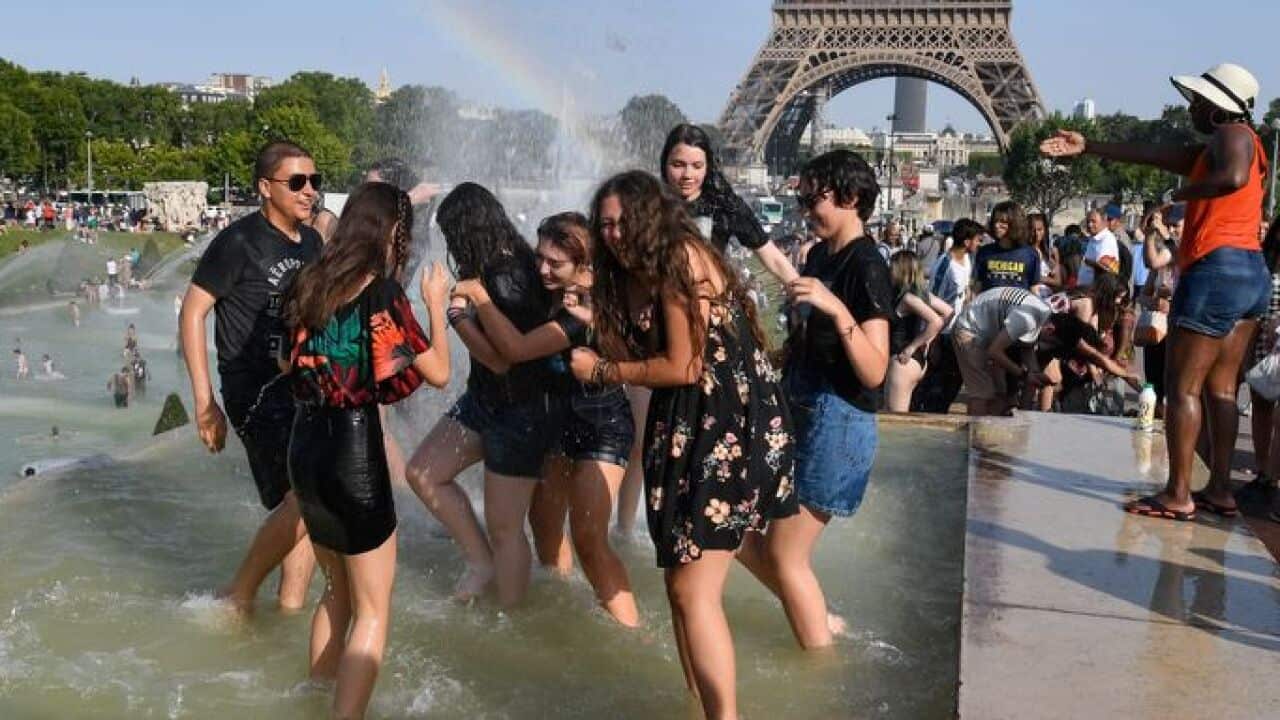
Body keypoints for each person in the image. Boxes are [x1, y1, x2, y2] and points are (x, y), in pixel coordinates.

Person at [570, 170, 797, 718]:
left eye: (623, 222)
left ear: (651, 216)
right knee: (679, 588)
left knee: (694, 593)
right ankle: (700, 706)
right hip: (691, 426)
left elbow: (684, 365)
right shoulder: (649, 268)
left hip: (721, 430)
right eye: (605, 226)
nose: (614, 234)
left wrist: (602, 369)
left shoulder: (679, 260)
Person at [1043, 62, 1270, 521]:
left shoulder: (1234, 136)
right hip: (1250, 269)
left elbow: (1233, 178)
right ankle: (1221, 489)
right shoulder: (1225, 144)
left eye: (1198, 101)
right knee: (1222, 390)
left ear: (1217, 106)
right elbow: (1149, 152)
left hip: (1218, 267)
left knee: (1181, 386)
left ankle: (1179, 492)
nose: (1192, 107)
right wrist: (1089, 147)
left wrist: (1178, 200)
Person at [284, 182, 451, 720]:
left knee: (336, 590)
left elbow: (289, 365)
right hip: (353, 450)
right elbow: (439, 374)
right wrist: (434, 305)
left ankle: (316, 701)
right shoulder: (382, 293)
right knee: (374, 612)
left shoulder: (308, 282)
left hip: (304, 446)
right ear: (392, 231)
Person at [733, 149, 890, 658]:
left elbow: (874, 370)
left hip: (839, 419)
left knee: (784, 556)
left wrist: (833, 304)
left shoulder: (867, 266)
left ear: (850, 197)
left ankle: (821, 666)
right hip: (803, 408)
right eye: (801, 196)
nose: (804, 207)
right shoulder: (821, 255)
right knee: (736, 529)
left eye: (813, 197)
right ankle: (818, 616)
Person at [452, 212, 640, 627]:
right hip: (552, 424)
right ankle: (565, 615)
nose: (542, 269)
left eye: (555, 263)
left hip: (600, 425)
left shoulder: (587, 307)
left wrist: (477, 300)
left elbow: (516, 350)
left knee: (590, 539)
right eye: (539, 258)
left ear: (584, 264)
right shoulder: (545, 290)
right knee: (546, 536)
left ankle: (632, 634)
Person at [179, 140, 323, 611]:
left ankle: (290, 605)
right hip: (254, 388)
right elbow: (193, 311)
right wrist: (206, 401)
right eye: (296, 182)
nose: (309, 192)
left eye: (314, 181)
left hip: (300, 383)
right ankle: (237, 594)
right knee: (305, 494)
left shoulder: (313, 242)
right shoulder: (238, 242)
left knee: (302, 500)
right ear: (266, 187)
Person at [403, 183, 562, 607]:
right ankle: (481, 562)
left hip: (520, 413)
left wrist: (448, 311)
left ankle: (510, 618)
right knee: (422, 471)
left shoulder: (505, 276)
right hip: (485, 402)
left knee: (507, 529)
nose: (451, 247)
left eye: (452, 235)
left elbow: (500, 360)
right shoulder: (501, 266)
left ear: (465, 231)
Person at [652, 123, 800, 538]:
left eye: (696, 165)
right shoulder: (651, 205)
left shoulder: (723, 204)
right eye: (678, 164)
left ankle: (718, 503)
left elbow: (769, 255)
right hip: (664, 320)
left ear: (709, 166)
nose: (687, 174)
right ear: (664, 164)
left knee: (712, 416)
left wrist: (799, 289)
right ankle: (642, 515)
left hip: (714, 324)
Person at [913, 218, 985, 413]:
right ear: (968, 241)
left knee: (953, 380)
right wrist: (931, 340)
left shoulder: (968, 260)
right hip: (942, 334)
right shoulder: (944, 265)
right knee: (938, 383)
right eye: (978, 240)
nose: (979, 244)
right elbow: (931, 300)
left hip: (958, 330)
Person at [953, 287, 1055, 416]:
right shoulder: (1027, 318)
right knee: (983, 393)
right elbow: (994, 352)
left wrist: (1035, 373)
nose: (1045, 346)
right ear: (1051, 329)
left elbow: (1027, 345)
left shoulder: (1041, 314)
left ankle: (989, 432)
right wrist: (1024, 375)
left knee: (1000, 393)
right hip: (969, 330)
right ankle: (975, 433)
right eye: (1050, 343)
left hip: (985, 333)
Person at [884, 251, 951, 412]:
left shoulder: (908, 298)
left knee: (895, 422)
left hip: (903, 361)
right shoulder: (921, 294)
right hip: (916, 361)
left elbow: (936, 320)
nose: (888, 270)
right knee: (903, 419)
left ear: (901, 270)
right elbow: (948, 312)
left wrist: (914, 345)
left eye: (891, 267)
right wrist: (927, 341)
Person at [1136, 203, 1185, 418]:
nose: (1172, 230)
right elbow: (1151, 264)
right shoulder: (1166, 257)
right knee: (1153, 385)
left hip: (1180, 331)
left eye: (1177, 226)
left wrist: (1172, 303)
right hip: (1157, 331)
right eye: (1170, 225)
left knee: (1175, 387)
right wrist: (1149, 235)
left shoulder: (1189, 252)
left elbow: (1178, 252)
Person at [973, 201, 1040, 292]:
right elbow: (977, 287)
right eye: (995, 221)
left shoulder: (1030, 254)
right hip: (989, 305)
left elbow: (1034, 290)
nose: (997, 225)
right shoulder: (984, 252)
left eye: (1003, 221)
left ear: (1016, 223)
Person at [1077, 209, 1119, 288]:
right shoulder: (1094, 238)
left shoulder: (1107, 240)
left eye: (1093, 221)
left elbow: (1107, 268)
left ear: (1104, 221)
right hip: (1087, 290)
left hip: (1096, 291)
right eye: (1088, 222)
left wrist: (1087, 261)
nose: (1089, 225)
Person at [1028, 212, 1061, 289]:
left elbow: (1058, 281)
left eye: (1040, 230)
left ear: (1045, 230)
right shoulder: (1022, 251)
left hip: (1046, 295)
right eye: (1033, 230)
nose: (1036, 234)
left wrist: (1037, 277)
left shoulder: (1051, 252)